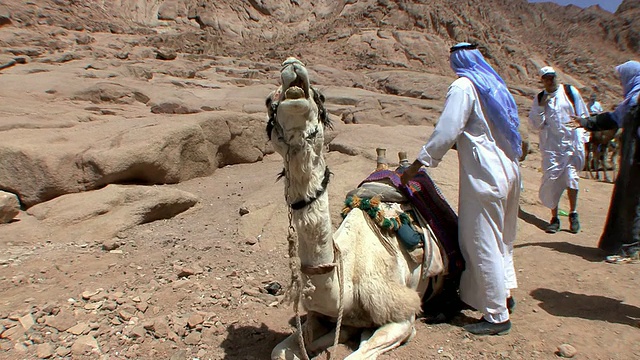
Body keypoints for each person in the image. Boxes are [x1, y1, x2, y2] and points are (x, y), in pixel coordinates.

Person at [401, 42, 520, 336]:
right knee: (502, 238)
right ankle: (504, 293)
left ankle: (496, 316)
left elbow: (447, 129)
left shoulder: (464, 87)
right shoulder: (493, 84)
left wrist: (417, 166)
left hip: (486, 177)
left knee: (481, 241)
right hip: (510, 171)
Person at [569, 60, 640, 263]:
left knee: (633, 202)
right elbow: (613, 118)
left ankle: (631, 248)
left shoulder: (637, 99)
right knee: (627, 199)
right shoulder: (631, 101)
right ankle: (619, 244)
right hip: (631, 159)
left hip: (637, 159)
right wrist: (585, 122)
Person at [528, 66, 589, 234]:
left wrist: (583, 138)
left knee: (572, 179)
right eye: (546, 78)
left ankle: (573, 213)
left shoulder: (570, 92)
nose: (550, 80)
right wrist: (541, 107)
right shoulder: (540, 98)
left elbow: (583, 115)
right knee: (552, 180)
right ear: (542, 81)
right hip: (552, 148)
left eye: (552, 77)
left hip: (571, 146)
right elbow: (535, 125)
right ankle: (554, 218)